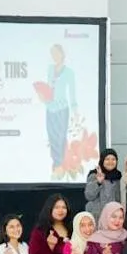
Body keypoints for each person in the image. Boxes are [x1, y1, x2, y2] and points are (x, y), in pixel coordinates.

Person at [42, 44, 76, 177]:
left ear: (62, 54)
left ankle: (59, 165)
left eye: (56, 53)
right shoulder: (50, 69)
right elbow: (48, 88)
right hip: (50, 107)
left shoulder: (69, 72)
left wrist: (75, 110)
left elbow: (72, 92)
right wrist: (44, 98)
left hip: (62, 108)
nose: (54, 56)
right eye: (53, 54)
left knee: (60, 136)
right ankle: (56, 165)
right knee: (52, 136)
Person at [85, 149, 122, 218]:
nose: (110, 162)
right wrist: (98, 182)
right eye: (107, 159)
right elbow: (89, 196)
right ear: (102, 160)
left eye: (113, 159)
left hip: (114, 217)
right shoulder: (94, 175)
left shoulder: (119, 176)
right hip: (97, 216)